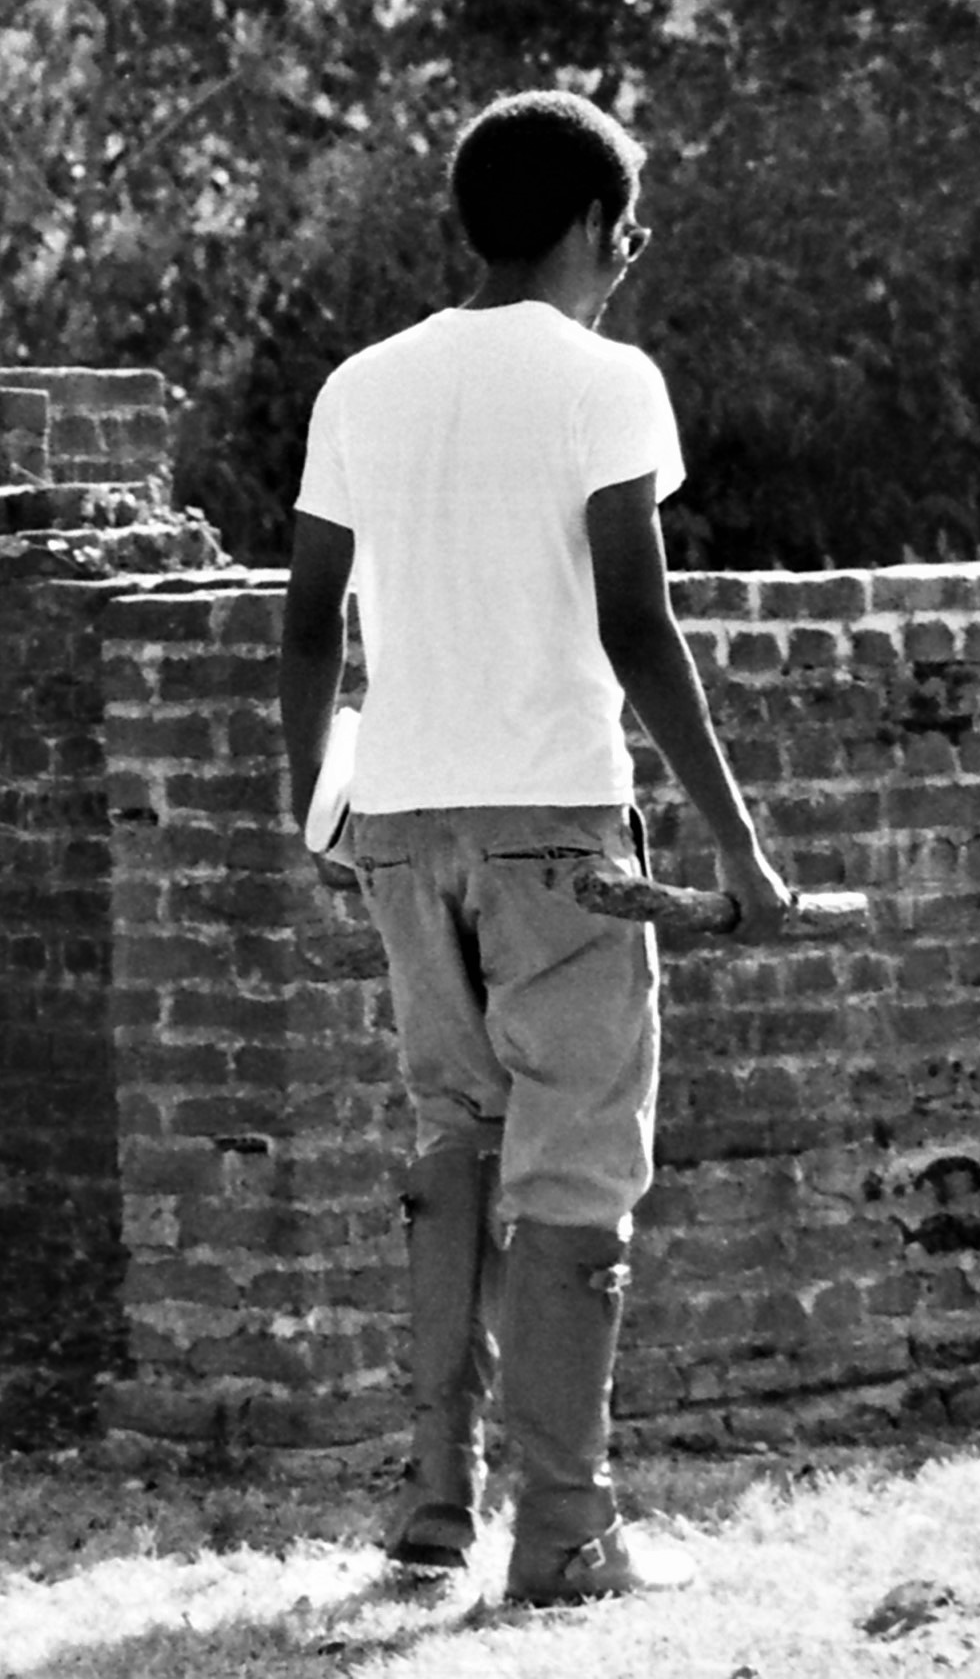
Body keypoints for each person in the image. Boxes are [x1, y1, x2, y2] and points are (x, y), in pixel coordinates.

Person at [277, 90, 793, 1606]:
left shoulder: (361, 384)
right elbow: (638, 622)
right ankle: (564, 1531)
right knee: (576, 1176)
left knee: (455, 1146)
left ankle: (435, 1510)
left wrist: (320, 807)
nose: (625, 259)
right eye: (624, 230)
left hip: (400, 823)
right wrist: (741, 854)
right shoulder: (605, 380)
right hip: (557, 828)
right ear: (585, 225)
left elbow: (308, 621)